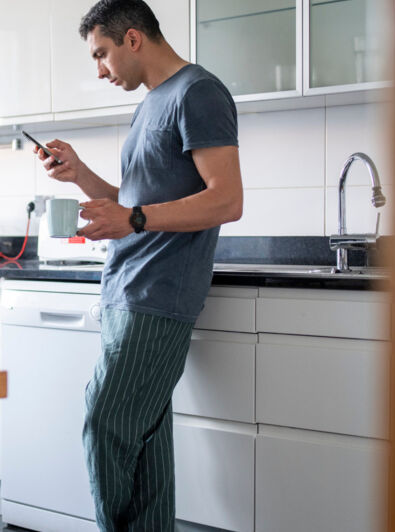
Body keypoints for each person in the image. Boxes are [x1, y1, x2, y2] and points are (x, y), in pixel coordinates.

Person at [32, 1, 243, 530]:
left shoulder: (199, 92)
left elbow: (227, 200)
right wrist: (80, 174)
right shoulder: (151, 103)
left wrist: (136, 217)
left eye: (101, 55)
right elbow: (133, 201)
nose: (99, 70)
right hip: (127, 290)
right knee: (145, 441)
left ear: (132, 39)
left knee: (104, 423)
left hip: (159, 294)